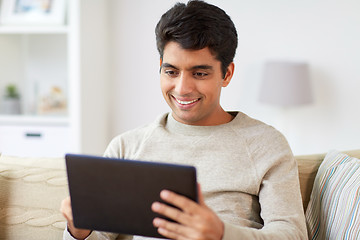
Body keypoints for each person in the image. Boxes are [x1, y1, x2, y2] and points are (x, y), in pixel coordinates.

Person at [61, 0, 308, 239]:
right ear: (160, 67)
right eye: (171, 72)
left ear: (227, 73)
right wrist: (78, 232)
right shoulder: (127, 147)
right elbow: (99, 235)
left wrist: (221, 234)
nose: (182, 88)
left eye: (199, 73)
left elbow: (293, 234)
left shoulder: (265, 144)